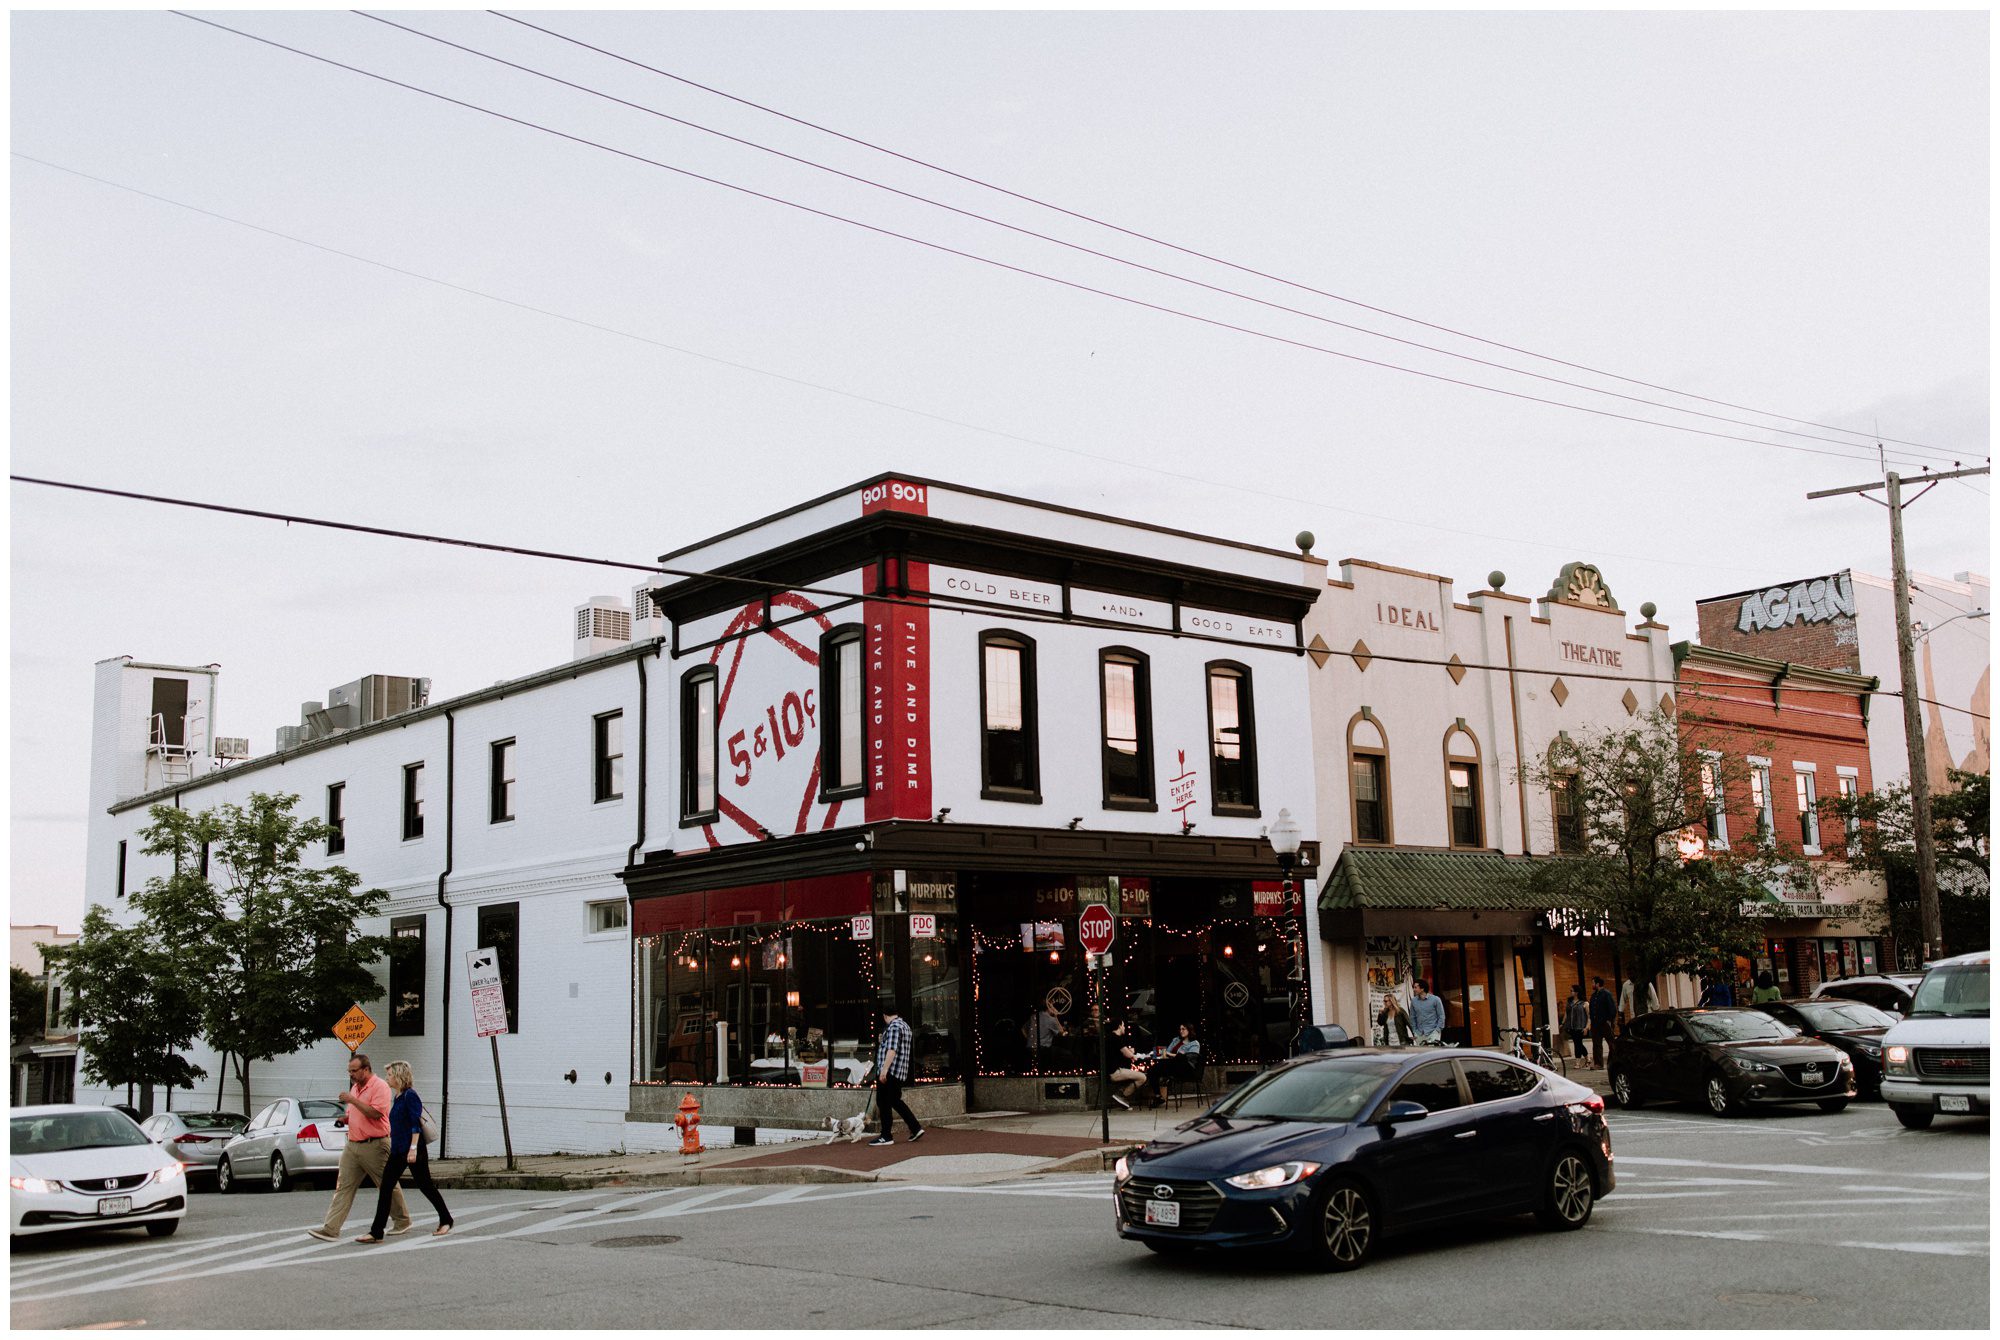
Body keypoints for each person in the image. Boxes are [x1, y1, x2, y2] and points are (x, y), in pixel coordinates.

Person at [306, 1052, 410, 1242]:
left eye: (354, 1071)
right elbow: (358, 1112)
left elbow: (376, 1113)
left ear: (366, 1069)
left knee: (386, 1185)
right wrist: (345, 1118)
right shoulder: (355, 1088)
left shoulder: (380, 1086)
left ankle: (402, 1220)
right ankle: (331, 1229)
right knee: (343, 1186)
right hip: (353, 1145)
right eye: (349, 1071)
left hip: (375, 1144)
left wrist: (353, 1100)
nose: (351, 1074)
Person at [355, 1060, 452, 1243]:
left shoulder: (410, 1096)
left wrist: (413, 1149)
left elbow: (415, 1124)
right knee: (386, 1187)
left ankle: (446, 1219)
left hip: (413, 1150)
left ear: (399, 1076)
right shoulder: (398, 1096)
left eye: (390, 1075)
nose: (387, 1078)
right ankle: (376, 1232)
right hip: (398, 1150)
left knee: (425, 1186)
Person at [868, 1003, 925, 1146]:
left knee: (883, 1102)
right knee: (895, 1101)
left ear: (885, 1016)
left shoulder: (893, 1027)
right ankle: (915, 1127)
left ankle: (886, 1135)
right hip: (900, 1072)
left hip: (890, 1072)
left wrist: (884, 1070)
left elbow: (892, 1050)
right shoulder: (905, 1026)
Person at [1147, 1023, 1202, 1105]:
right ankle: (1158, 1096)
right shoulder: (1176, 1040)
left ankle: (1163, 1086)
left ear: (1189, 1030)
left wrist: (1171, 1055)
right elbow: (1167, 1052)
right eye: (1180, 1029)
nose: (1181, 1031)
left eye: (1183, 1029)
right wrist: (1157, 1053)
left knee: (1176, 1060)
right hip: (1172, 1065)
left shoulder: (1194, 1043)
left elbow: (1189, 1057)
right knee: (1152, 1070)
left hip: (1186, 1068)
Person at [1104, 1020, 1148, 1109]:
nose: (1124, 1028)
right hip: (1115, 1072)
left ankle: (1121, 1095)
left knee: (1133, 1075)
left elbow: (1121, 1052)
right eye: (1123, 1025)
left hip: (1109, 1071)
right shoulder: (1116, 1038)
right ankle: (1121, 1095)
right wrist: (1133, 1054)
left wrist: (1129, 1052)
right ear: (1119, 1026)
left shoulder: (1109, 1038)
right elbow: (1127, 1054)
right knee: (1143, 1077)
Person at [1588, 977, 1617, 1067]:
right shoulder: (1593, 995)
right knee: (1596, 1044)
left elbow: (1612, 1008)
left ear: (1597, 984)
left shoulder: (1606, 994)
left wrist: (1610, 1020)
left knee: (1611, 1043)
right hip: (1595, 1023)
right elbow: (1591, 1009)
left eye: (1593, 983)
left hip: (1605, 1022)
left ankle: (1614, 1061)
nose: (1592, 985)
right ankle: (1598, 1064)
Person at [1409, 979, 1446, 1044]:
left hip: (1433, 1033)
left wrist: (1437, 1030)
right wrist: (1415, 1031)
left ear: (1422, 988)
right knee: (1422, 1054)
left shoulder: (1435, 999)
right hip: (1419, 1034)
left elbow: (1441, 1016)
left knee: (1433, 1053)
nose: (1414, 989)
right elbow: (1412, 1017)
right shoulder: (1413, 1001)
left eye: (1415, 987)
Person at [1563, 986, 1591, 1061]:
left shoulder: (1585, 1003)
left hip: (1580, 1027)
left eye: (1572, 991)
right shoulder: (1569, 1002)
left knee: (1577, 1044)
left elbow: (1589, 1017)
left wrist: (1586, 1027)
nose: (1570, 992)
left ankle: (1577, 1062)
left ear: (1576, 992)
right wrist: (1562, 1023)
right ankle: (1587, 1058)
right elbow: (1566, 1013)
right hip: (1571, 1027)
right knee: (1578, 1043)